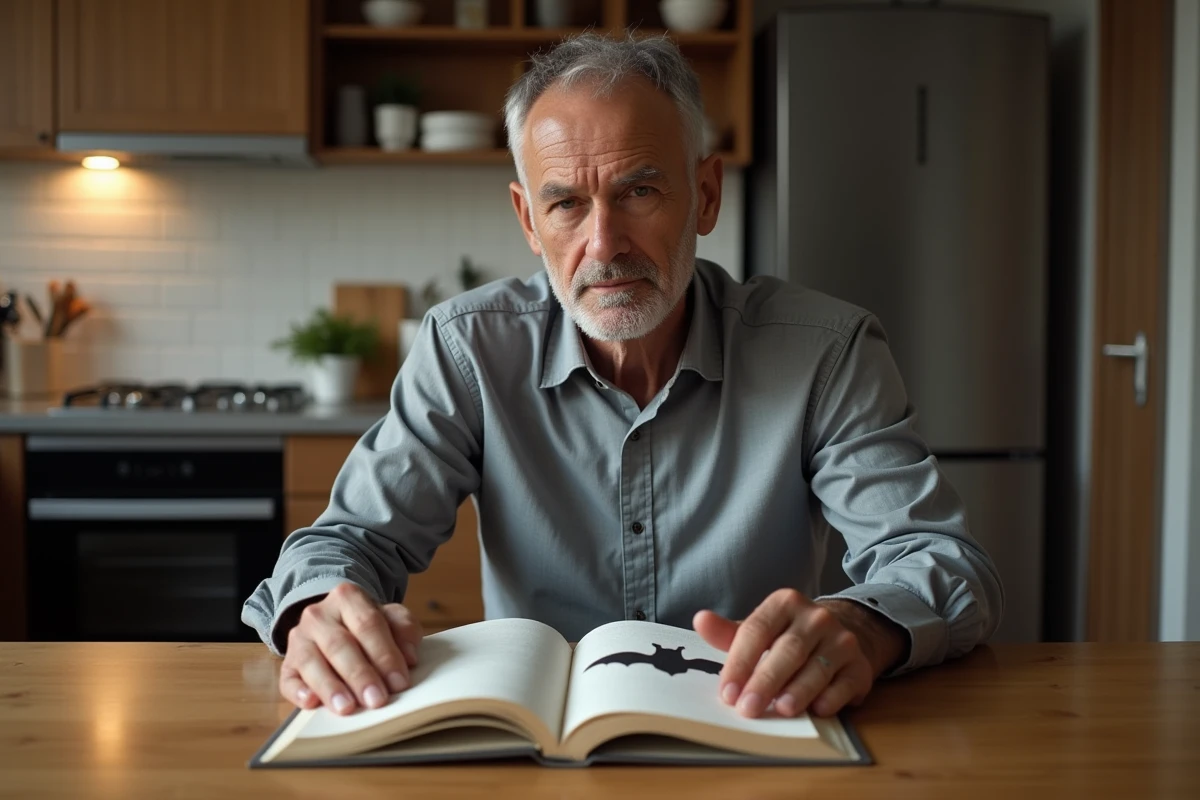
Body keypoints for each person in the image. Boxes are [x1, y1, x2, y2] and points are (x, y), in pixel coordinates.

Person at [243, 33, 1003, 720]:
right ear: (527, 220)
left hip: (751, 732)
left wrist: (863, 628)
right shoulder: (467, 348)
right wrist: (317, 610)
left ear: (704, 195)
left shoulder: (824, 351)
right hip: (538, 751)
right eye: (566, 204)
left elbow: (942, 562)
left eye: (639, 190)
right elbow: (347, 542)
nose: (604, 244)